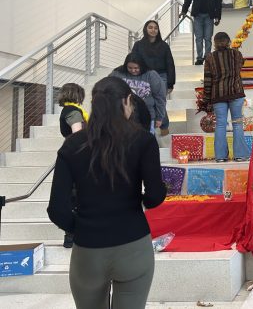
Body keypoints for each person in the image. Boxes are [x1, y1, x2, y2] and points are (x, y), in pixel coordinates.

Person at [47, 77, 166, 309]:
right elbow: (155, 196)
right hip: (133, 243)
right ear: (127, 102)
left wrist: (81, 227)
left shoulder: (73, 145)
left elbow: (57, 210)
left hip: (88, 250)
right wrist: (140, 202)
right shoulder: (143, 141)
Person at [203, 32, 250, 162]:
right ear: (229, 42)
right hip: (236, 92)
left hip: (218, 94)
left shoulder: (210, 58)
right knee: (237, 123)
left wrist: (206, 99)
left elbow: (207, 80)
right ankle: (240, 155)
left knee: (220, 125)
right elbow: (241, 64)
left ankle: (220, 156)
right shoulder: (237, 54)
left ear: (214, 43)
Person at [57, 82, 88, 248]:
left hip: (71, 154)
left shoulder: (66, 110)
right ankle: (72, 235)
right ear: (78, 95)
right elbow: (78, 132)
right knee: (77, 195)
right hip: (78, 155)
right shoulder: (74, 112)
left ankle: (71, 235)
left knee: (74, 195)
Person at [131, 20, 175, 135]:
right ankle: (153, 128)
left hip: (162, 77)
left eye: (155, 28)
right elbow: (133, 61)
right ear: (145, 29)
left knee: (159, 102)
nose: (153, 30)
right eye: (150, 27)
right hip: (144, 77)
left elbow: (170, 64)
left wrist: (170, 83)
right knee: (149, 103)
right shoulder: (138, 45)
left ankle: (164, 126)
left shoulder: (164, 46)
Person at [109, 53, 166, 134]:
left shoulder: (151, 75)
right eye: (130, 68)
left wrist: (160, 118)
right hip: (122, 116)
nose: (133, 70)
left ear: (142, 66)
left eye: (136, 68)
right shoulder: (117, 73)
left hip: (146, 117)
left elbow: (160, 97)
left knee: (146, 143)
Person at [181, 0, 223, 65]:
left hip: (209, 16)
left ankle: (208, 57)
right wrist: (184, 11)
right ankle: (199, 58)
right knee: (199, 38)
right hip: (198, 16)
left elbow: (218, 3)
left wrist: (218, 17)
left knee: (208, 38)